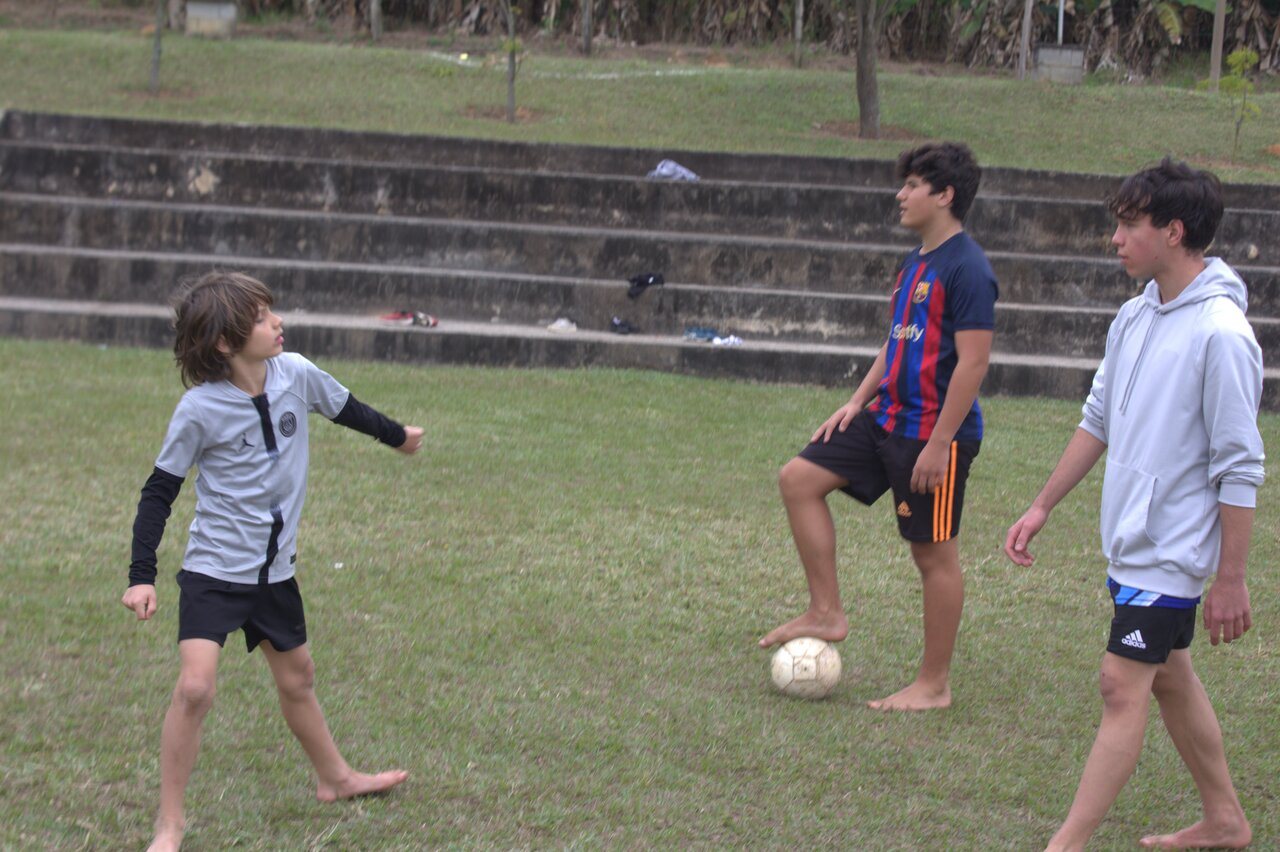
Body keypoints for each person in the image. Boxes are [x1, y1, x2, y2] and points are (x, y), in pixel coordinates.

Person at [1004, 159, 1262, 851]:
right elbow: (1098, 419)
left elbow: (1240, 467)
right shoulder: (1134, 314)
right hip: (1131, 544)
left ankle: (1066, 843)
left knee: (1121, 686)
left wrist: (1231, 578)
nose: (1115, 239)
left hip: (1171, 552)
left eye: (1128, 225)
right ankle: (1225, 820)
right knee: (1170, 678)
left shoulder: (1222, 334)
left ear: (1173, 231)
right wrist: (1042, 505)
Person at [120, 272, 425, 852]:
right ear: (224, 342)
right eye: (261, 318)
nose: (277, 322)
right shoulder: (199, 409)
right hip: (214, 573)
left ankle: (335, 779)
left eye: (270, 312)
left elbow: (347, 409)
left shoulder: (297, 374)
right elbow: (159, 491)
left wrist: (396, 436)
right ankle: (170, 824)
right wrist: (141, 577)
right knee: (195, 688)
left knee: (298, 678)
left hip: (275, 574)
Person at [760, 142, 997, 712]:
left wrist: (940, 443)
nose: (901, 194)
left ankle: (933, 686)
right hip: (885, 418)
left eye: (913, 185)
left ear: (945, 195)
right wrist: (855, 402)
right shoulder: (914, 263)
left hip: (932, 435)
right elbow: (897, 342)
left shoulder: (968, 268)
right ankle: (826, 611)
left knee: (932, 557)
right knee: (798, 479)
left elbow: (973, 363)